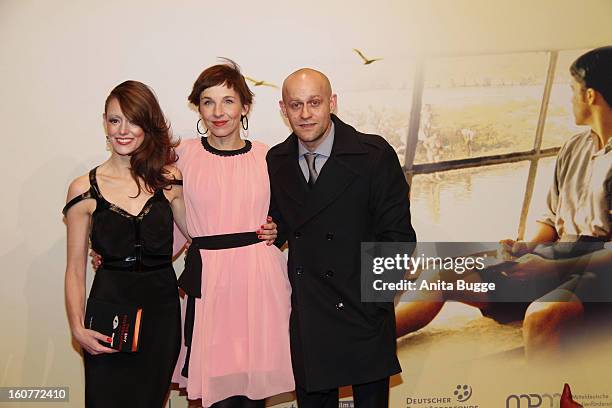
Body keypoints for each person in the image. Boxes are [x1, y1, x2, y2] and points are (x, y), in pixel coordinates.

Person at [395, 46, 612, 359]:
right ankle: (367, 346)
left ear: (590, 96)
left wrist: (551, 266)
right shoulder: (573, 148)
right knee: (443, 274)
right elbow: (549, 222)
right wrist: (526, 249)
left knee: (542, 316)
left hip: (600, 272)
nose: (570, 99)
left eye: (572, 91)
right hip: (558, 257)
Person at [267, 68, 416, 408]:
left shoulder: (373, 154)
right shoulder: (276, 160)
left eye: (315, 103)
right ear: (283, 109)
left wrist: (375, 303)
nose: (305, 114)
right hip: (310, 316)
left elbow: (398, 237)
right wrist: (273, 231)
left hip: (362, 314)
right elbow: (282, 225)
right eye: (296, 105)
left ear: (332, 103)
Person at [171, 60, 294, 408]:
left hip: (259, 282)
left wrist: (279, 229)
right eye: (208, 101)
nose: (218, 111)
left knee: (255, 393)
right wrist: (123, 253)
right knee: (218, 397)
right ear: (198, 107)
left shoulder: (268, 157)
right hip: (209, 284)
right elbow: (160, 215)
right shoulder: (182, 155)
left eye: (228, 100)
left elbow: (293, 213)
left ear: (245, 106)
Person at [63, 80, 187, 407]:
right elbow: (75, 269)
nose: (123, 130)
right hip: (108, 313)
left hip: (161, 315)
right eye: (115, 120)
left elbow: (200, 236)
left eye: (132, 120)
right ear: (104, 122)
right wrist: (77, 326)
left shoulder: (169, 180)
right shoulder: (83, 189)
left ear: (148, 125)